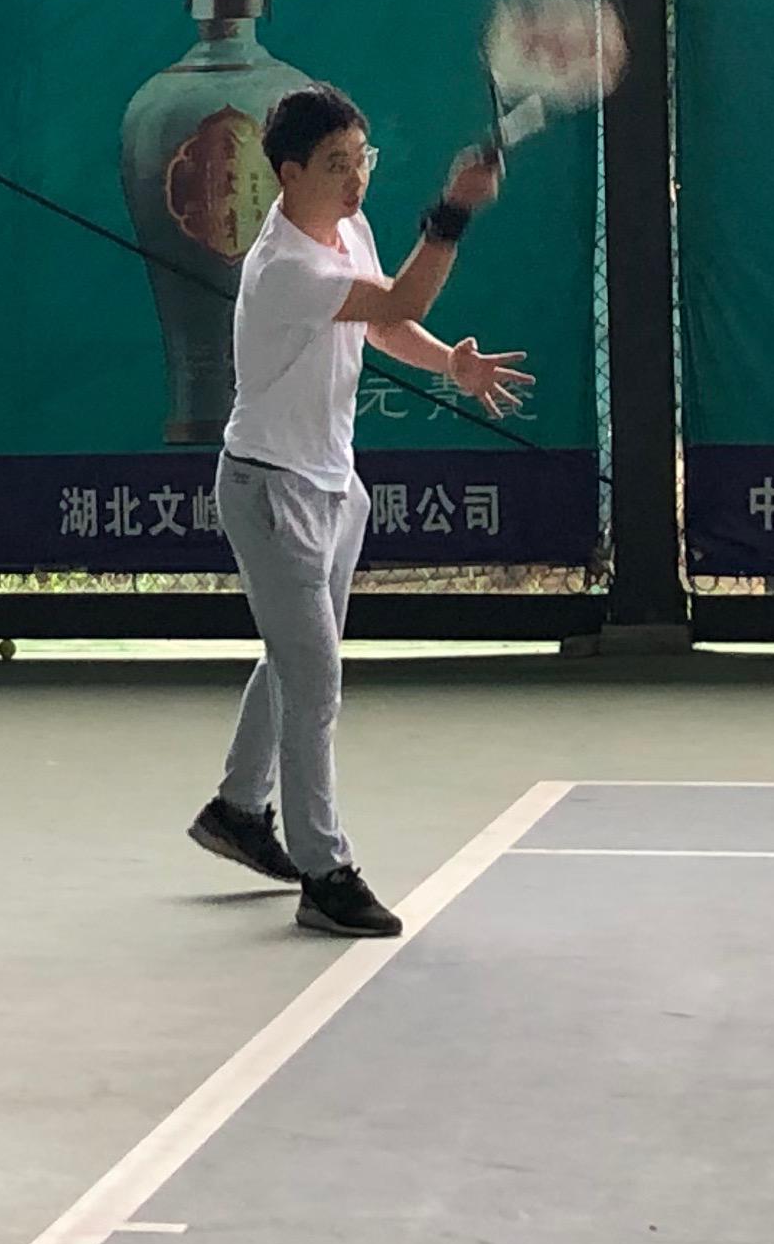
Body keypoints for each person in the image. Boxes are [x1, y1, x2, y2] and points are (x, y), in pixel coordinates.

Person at [188, 85, 526, 938]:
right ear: (288, 174)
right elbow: (402, 300)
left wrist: (450, 365)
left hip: (335, 485)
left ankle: (237, 809)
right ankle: (324, 872)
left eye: (361, 159)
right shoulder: (287, 267)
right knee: (315, 682)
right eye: (337, 164)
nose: (355, 178)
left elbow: (382, 322)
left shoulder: (347, 230)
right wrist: (453, 211)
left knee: (296, 659)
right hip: (271, 492)